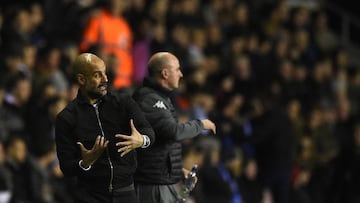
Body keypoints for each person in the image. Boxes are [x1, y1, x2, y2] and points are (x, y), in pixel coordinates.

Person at [55, 53, 155, 202]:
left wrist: (142, 140)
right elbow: (66, 166)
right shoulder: (66, 118)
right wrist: (85, 163)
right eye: (97, 75)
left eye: (105, 73)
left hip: (126, 193)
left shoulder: (123, 102)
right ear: (81, 79)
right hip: (90, 196)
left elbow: (149, 133)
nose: (105, 79)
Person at [133, 52, 216, 203]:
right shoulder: (149, 99)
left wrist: (176, 171)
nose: (181, 74)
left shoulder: (161, 98)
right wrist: (200, 124)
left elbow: (161, 143)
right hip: (152, 185)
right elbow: (173, 132)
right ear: (165, 73)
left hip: (162, 181)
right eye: (177, 69)